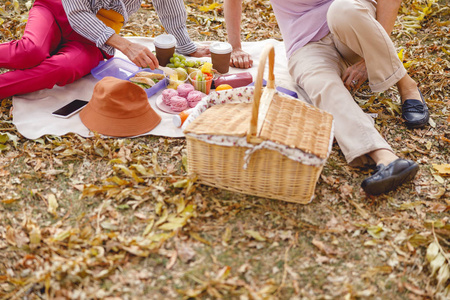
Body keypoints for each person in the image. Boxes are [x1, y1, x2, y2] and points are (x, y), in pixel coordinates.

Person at [224, 0, 429, 195]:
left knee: (342, 10)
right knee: (320, 83)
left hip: (352, 30)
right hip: (306, 45)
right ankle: (384, 157)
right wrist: (235, 47)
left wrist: (368, 60)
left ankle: (406, 84)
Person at [0, 0, 209, 99]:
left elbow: (169, 7)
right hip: (57, 11)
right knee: (29, 51)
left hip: (95, 41)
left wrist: (187, 47)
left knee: (64, 68)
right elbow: (77, 12)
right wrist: (125, 45)